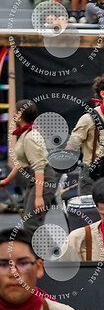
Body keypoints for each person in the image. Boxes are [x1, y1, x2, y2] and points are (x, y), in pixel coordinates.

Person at [0, 100, 57, 236]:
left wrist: (39, 197)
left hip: (41, 179)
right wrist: (7, 180)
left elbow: (39, 167)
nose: (13, 115)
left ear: (20, 114)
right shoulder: (26, 134)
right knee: (30, 221)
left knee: (31, 224)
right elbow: (21, 162)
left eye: (15, 112)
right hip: (35, 180)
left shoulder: (30, 137)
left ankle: (37, 250)